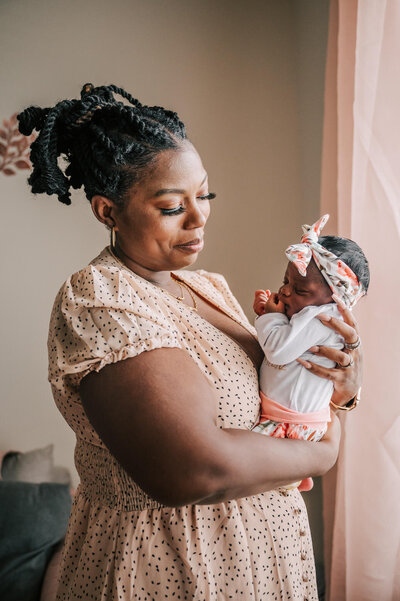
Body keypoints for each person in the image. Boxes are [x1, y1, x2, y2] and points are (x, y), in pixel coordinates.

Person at [18, 83, 362, 601]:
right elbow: (193, 471)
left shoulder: (207, 285)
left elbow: (272, 394)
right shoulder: (100, 300)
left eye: (204, 195)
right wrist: (327, 451)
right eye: (172, 207)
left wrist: (342, 389)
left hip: (265, 557)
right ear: (108, 212)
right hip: (172, 568)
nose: (200, 218)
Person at [252, 214, 369, 491]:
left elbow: (278, 351)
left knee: (241, 457)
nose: (284, 291)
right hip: (294, 418)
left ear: (336, 298)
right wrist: (272, 316)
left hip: (290, 422)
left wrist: (271, 318)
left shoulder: (322, 318)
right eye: (285, 281)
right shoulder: (314, 312)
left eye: (300, 290)